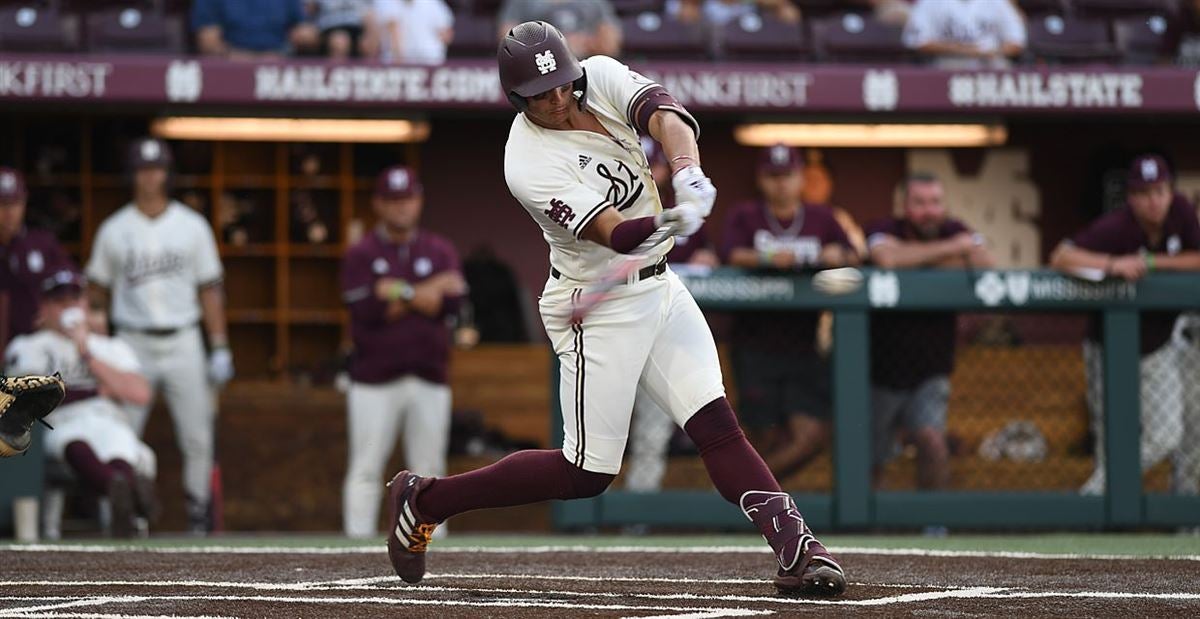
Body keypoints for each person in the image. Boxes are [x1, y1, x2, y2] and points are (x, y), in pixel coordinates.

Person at [384, 21, 846, 597]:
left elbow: (663, 113)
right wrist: (667, 220)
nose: (557, 99)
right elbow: (615, 234)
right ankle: (427, 499)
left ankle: (799, 550)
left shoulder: (596, 75)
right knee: (587, 473)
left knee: (717, 426)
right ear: (516, 99)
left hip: (659, 288)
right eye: (541, 93)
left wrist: (686, 171)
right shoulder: (525, 162)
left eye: (562, 86)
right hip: (594, 303)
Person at [86, 137, 232, 534]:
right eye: (143, 170)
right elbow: (95, 290)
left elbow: (209, 290)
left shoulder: (192, 226)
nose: (150, 177)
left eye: (157, 169)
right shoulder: (115, 229)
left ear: (167, 174)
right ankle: (124, 512)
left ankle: (199, 513)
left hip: (184, 337)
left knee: (197, 435)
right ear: (132, 175)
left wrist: (218, 345)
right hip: (132, 342)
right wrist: (96, 339)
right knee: (121, 431)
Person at [1050, 154, 1200, 495]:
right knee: (1111, 435)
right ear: (1131, 197)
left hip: (1158, 345)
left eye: (1161, 191)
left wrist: (1150, 261)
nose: (1155, 201)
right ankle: (1107, 526)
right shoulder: (1117, 227)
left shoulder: (1181, 212)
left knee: (1166, 434)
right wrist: (1113, 263)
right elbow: (1061, 256)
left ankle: (1093, 495)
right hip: (1107, 347)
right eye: (1145, 193)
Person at [339, 165, 465, 539]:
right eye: (392, 200)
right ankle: (356, 547)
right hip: (374, 379)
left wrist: (397, 291)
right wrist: (424, 292)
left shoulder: (439, 249)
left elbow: (452, 304)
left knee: (430, 469)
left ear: (419, 201)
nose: (401, 208)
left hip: (429, 374)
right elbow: (367, 310)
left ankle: (429, 546)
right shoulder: (361, 253)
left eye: (407, 199)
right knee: (366, 465)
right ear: (378, 204)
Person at [720, 144, 858, 480]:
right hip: (754, 343)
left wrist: (836, 254)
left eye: (788, 176)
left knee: (813, 434)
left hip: (803, 344)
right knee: (760, 435)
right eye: (773, 176)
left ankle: (741, 494)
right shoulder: (746, 214)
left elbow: (853, 255)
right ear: (761, 180)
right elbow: (729, 253)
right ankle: (754, 502)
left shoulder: (823, 217)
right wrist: (768, 259)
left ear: (801, 178)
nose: (781, 184)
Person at [866, 172, 995, 492]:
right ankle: (864, 530)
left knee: (932, 440)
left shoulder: (956, 227)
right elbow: (886, 257)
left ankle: (933, 525)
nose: (929, 210)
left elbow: (985, 262)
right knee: (870, 455)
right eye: (919, 203)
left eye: (935, 202)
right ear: (904, 206)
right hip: (878, 369)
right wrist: (953, 251)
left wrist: (914, 259)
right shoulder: (883, 228)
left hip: (931, 367)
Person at [5, 267, 157, 537]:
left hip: (108, 420)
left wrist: (86, 352)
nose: (68, 307)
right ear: (45, 307)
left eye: (75, 300)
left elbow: (140, 393)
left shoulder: (108, 346)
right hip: (59, 423)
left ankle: (122, 497)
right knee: (76, 444)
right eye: (60, 302)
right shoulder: (30, 345)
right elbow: (25, 399)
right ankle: (129, 494)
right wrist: (95, 391)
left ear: (85, 305)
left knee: (120, 447)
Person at [0, 167, 70, 350]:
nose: (9, 212)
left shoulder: (42, 243)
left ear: (24, 203)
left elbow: (71, 286)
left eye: (14, 203)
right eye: (2, 203)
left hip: (36, 348)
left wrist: (55, 314)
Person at [902, 0, 1026, 69]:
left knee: (1001, 67)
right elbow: (918, 41)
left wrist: (995, 52)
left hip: (990, 60)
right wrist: (965, 50)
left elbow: (1016, 42)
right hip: (948, 60)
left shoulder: (997, 2)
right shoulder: (930, 2)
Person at [192, 0, 318, 59]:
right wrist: (248, 59)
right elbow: (207, 42)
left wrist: (289, 48)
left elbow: (306, 32)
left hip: (278, 63)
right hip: (230, 64)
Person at [498, 0, 622, 58]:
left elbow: (611, 46)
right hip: (540, 66)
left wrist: (585, 43)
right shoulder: (521, 2)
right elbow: (508, 42)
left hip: (585, 66)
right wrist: (557, 45)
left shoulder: (595, 3)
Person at [370, 0, 455, 65]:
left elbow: (447, 35)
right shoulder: (386, 3)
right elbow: (393, 32)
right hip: (399, 63)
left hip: (430, 60)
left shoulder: (433, 3)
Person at [308, 0, 373, 59]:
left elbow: (368, 9)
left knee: (367, 40)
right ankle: (333, 70)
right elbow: (310, 10)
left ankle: (373, 68)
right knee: (339, 41)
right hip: (330, 25)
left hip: (356, 25)